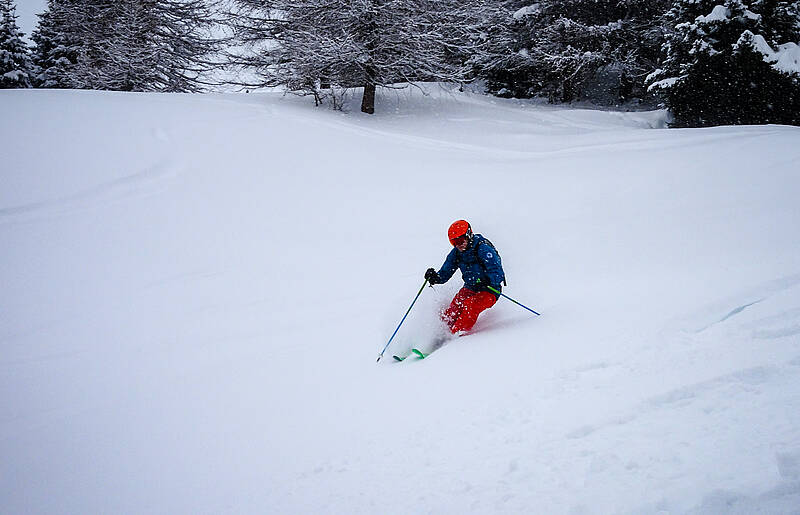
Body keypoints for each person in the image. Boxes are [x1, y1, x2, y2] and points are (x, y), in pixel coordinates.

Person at [425, 220, 506, 334]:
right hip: (470, 287)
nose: (458, 244)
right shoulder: (456, 253)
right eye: (454, 242)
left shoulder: (483, 248)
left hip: (489, 290)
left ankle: (455, 336)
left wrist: (488, 280)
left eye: (460, 240)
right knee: (454, 308)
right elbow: (445, 273)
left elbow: (498, 272)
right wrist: (435, 277)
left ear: (468, 235)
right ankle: (438, 335)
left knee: (470, 306)